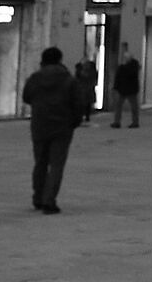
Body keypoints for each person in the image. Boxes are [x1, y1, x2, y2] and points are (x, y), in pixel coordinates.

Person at [22, 45, 80, 214]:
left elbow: (26, 96)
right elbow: (77, 103)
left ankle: (38, 197)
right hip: (62, 127)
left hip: (40, 125)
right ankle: (49, 201)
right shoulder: (69, 79)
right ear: (59, 60)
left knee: (40, 163)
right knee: (56, 165)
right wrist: (74, 121)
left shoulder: (35, 78)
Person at [109, 45, 141, 128]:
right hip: (123, 89)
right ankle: (117, 122)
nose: (125, 59)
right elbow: (118, 77)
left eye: (126, 58)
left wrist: (116, 87)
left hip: (130, 90)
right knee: (119, 106)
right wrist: (115, 87)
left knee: (133, 107)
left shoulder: (132, 66)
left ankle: (134, 122)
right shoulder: (123, 67)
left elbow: (130, 75)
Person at [73, 53, 98, 125]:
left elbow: (82, 76)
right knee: (85, 103)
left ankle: (85, 116)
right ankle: (86, 116)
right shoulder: (89, 69)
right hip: (85, 88)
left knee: (84, 103)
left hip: (85, 88)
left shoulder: (86, 70)